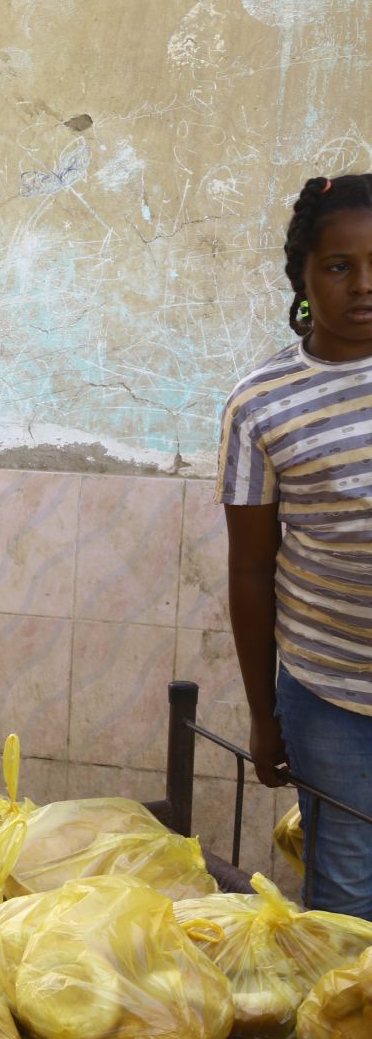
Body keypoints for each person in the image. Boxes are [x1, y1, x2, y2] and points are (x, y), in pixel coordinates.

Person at [223, 172, 372, 918]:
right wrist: (263, 713)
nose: (364, 285)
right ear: (303, 278)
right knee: (346, 904)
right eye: (340, 266)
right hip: (330, 694)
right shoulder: (261, 404)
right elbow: (251, 569)